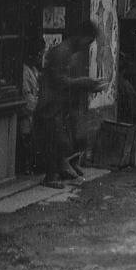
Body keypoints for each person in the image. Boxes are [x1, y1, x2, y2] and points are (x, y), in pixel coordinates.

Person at [35, 21, 108, 189]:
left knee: (64, 139)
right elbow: (59, 80)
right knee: (54, 140)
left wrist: (88, 84)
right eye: (88, 41)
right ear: (82, 36)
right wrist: (85, 83)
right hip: (51, 104)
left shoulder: (71, 52)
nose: (87, 45)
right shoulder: (62, 52)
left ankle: (62, 169)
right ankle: (51, 176)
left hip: (61, 104)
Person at [16, 36, 43, 175]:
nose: (40, 58)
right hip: (26, 112)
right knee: (26, 138)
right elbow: (27, 97)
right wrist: (40, 106)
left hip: (33, 110)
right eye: (39, 54)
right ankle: (26, 167)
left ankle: (31, 165)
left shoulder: (34, 70)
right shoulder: (24, 72)